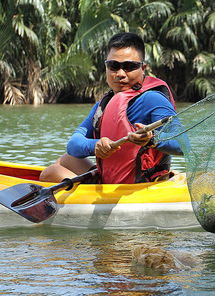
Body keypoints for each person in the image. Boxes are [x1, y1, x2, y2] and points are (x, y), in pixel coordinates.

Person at [40, 32, 181, 184]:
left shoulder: (153, 99)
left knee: (50, 173)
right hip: (112, 181)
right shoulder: (103, 105)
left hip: (141, 185)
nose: (120, 74)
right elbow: (73, 145)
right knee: (66, 160)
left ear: (143, 68)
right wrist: (95, 145)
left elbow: (183, 143)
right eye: (113, 66)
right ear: (106, 67)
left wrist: (151, 139)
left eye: (129, 67)